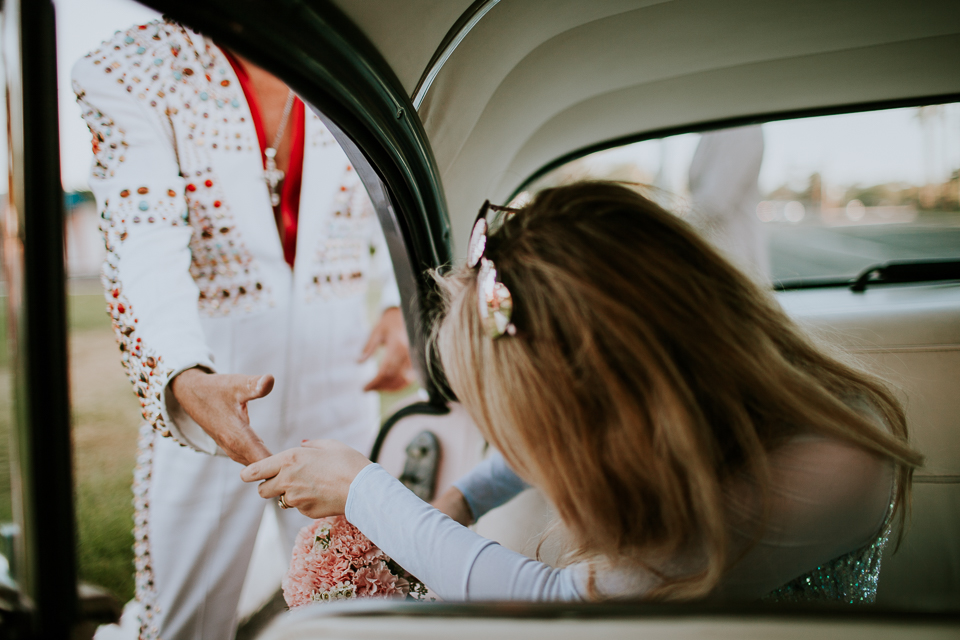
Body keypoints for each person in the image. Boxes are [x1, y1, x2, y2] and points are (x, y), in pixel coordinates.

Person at [243, 182, 923, 603]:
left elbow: (558, 602)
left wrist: (366, 491)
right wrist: (462, 498)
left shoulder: (832, 466)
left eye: (528, 427)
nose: (521, 447)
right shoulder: (708, 409)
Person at [72, 19, 411, 640]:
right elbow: (142, 235)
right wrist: (182, 374)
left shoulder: (365, 45)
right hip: (209, 390)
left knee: (356, 602)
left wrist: (397, 306)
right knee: (186, 621)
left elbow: (401, 186)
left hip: (342, 379)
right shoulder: (135, 66)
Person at [688, 125, 769, 282]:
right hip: (718, 258)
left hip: (735, 259)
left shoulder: (741, 128)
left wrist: (670, 232)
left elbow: (713, 202)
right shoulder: (715, 130)